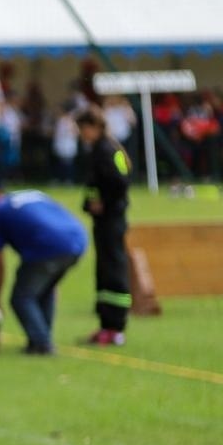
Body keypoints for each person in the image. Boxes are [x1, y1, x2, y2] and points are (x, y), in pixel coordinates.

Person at [0, 188, 87, 355]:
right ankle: (39, 340)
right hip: (78, 239)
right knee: (44, 291)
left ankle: (42, 344)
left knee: (21, 297)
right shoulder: (32, 194)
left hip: (47, 247)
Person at [76, 109, 132, 346]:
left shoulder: (107, 149)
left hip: (112, 219)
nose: (81, 135)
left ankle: (116, 327)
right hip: (103, 220)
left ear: (93, 126)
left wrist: (104, 203)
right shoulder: (101, 148)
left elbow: (121, 182)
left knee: (114, 269)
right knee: (104, 270)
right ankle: (105, 324)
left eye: (83, 129)